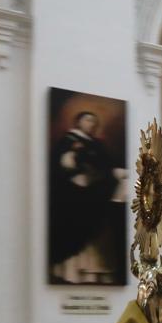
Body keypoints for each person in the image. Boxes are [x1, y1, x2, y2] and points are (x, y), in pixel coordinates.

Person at [49, 110, 124, 283]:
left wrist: (109, 174)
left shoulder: (97, 144)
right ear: (78, 122)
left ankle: (96, 272)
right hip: (74, 195)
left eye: (94, 122)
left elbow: (105, 166)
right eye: (88, 120)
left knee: (101, 232)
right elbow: (61, 166)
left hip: (96, 195)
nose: (92, 124)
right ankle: (73, 272)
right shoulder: (68, 141)